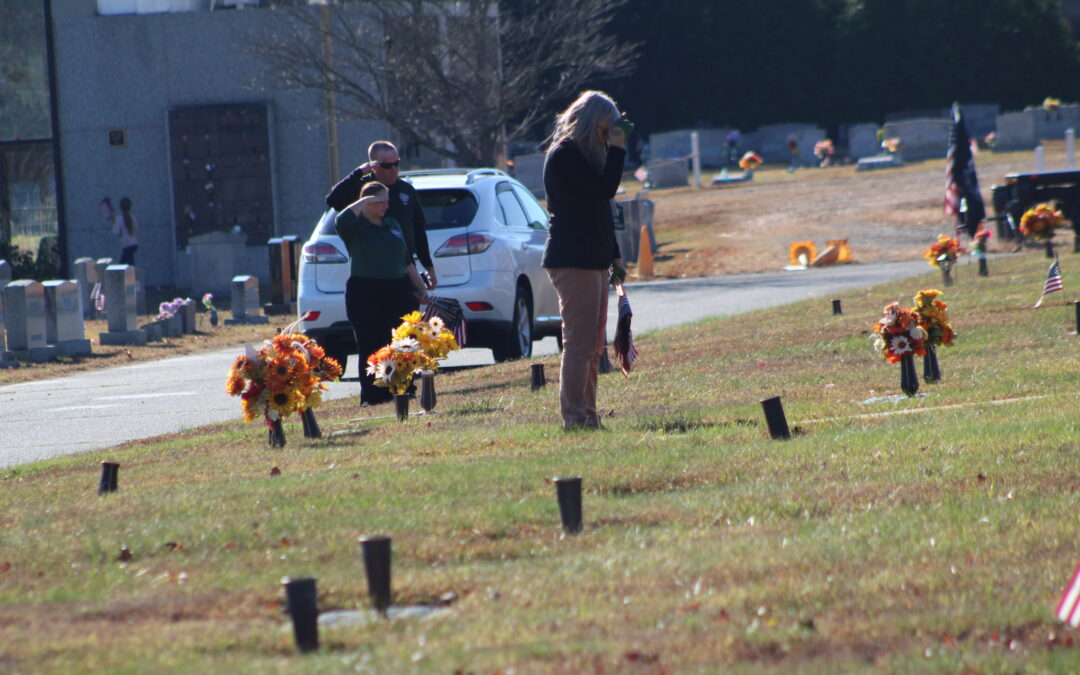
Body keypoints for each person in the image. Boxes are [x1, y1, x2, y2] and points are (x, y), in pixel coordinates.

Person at [542, 90, 628, 430]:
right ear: (592, 124)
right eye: (607, 130)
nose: (609, 137)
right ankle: (574, 418)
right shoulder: (565, 154)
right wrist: (618, 150)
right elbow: (604, 190)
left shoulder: (587, 157)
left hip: (593, 258)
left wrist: (615, 255)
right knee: (579, 344)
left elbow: (600, 209)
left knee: (593, 345)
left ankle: (588, 415)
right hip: (572, 258)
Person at [336, 181, 431, 407]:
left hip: (399, 288)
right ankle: (373, 395)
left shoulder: (393, 224)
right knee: (371, 342)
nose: (386, 206)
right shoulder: (355, 227)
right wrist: (365, 200)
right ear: (368, 203)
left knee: (401, 341)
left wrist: (420, 288)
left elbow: (406, 260)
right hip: (365, 290)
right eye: (381, 202)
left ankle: (404, 389)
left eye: (387, 201)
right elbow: (341, 220)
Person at [326, 140, 437, 294]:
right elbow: (333, 200)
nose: (394, 169)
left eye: (396, 163)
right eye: (387, 166)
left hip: (404, 268)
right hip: (371, 270)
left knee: (409, 309)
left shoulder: (407, 190)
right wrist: (358, 173)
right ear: (374, 166)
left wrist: (428, 267)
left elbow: (418, 231)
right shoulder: (361, 189)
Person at [111, 197, 139, 265]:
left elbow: (115, 232)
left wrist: (114, 222)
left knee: (122, 265)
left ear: (120, 207)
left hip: (127, 245)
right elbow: (136, 230)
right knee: (129, 263)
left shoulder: (119, 218)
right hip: (134, 244)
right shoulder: (133, 218)